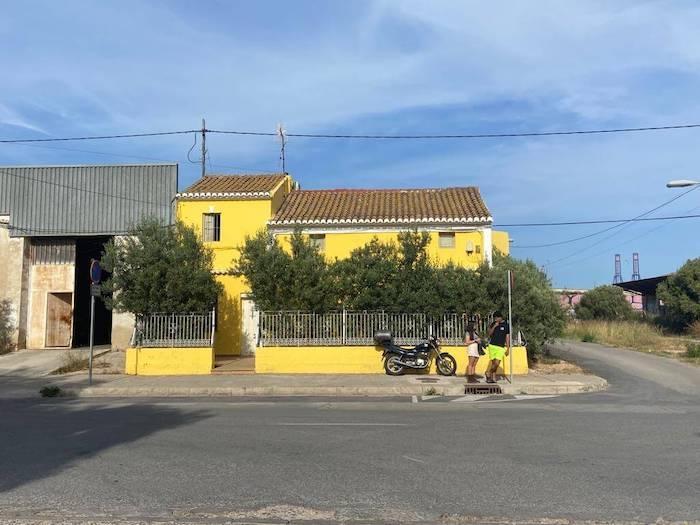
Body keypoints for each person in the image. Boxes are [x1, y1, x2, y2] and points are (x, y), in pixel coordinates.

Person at [485, 312, 510, 383]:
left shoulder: (506, 325)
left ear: (500, 317)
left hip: (501, 347)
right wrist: (494, 326)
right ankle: (493, 378)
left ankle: (488, 373)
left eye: (496, 317)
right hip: (492, 345)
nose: (495, 319)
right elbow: (489, 334)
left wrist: (508, 348)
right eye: (494, 318)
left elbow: (507, 337)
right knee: (493, 364)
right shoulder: (494, 324)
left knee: (497, 363)